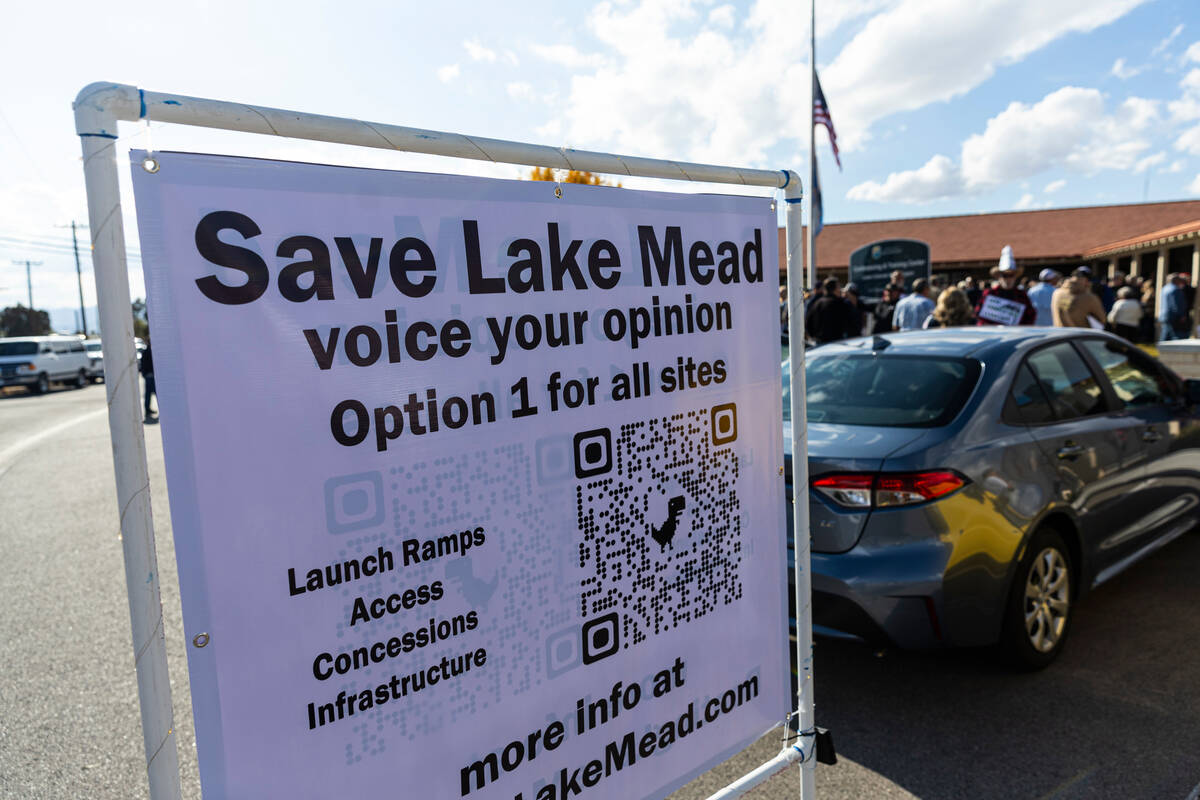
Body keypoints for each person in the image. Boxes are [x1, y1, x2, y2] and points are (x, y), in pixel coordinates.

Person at [805, 277, 855, 345]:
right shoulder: (841, 304)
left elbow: (808, 323)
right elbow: (851, 323)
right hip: (837, 343)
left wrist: (814, 337)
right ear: (835, 289)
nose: (840, 290)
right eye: (839, 287)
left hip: (819, 343)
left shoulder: (817, 303)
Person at [1158, 274, 1190, 341]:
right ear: (1177, 281)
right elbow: (1176, 304)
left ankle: (1162, 347)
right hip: (1173, 316)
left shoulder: (1165, 288)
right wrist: (1182, 315)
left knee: (1166, 334)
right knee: (1175, 335)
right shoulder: (1175, 289)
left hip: (1164, 315)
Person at [140, 339, 157, 424]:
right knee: (154, 394)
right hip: (151, 376)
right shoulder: (151, 352)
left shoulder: (146, 351)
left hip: (149, 376)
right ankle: (148, 410)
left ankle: (147, 410)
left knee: (148, 394)